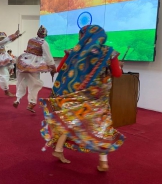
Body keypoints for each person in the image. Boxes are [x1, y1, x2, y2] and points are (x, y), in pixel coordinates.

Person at [39, 25, 125, 172]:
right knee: (102, 124)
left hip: (78, 94)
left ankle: (59, 148)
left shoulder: (73, 52)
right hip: (99, 96)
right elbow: (117, 74)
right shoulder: (108, 52)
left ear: (82, 36)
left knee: (72, 119)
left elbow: (60, 70)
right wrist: (118, 67)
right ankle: (103, 160)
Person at [13, 25, 56, 113]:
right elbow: (48, 57)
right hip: (34, 64)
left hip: (24, 61)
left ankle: (17, 99)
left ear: (37, 32)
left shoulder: (31, 39)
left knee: (21, 81)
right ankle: (31, 103)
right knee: (35, 84)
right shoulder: (44, 43)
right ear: (45, 35)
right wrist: (52, 66)